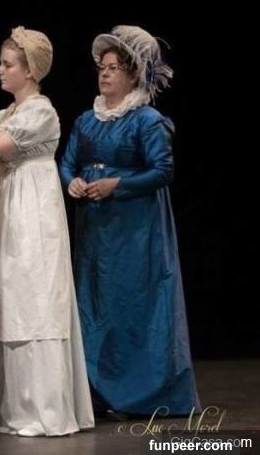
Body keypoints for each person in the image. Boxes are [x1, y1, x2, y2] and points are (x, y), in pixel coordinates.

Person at [0, 26, 94, 437]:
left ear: (29, 71)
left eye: (7, 64)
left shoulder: (41, 112)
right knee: (8, 298)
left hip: (34, 212)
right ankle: (12, 408)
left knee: (35, 294)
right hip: (6, 211)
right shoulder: (0, 117)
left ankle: (42, 408)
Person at [59, 25, 201, 417]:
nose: (104, 74)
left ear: (133, 74)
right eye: (101, 68)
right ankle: (98, 390)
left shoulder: (146, 120)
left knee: (133, 302)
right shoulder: (86, 120)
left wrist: (117, 185)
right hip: (95, 228)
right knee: (96, 304)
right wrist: (71, 182)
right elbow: (67, 162)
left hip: (135, 228)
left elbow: (163, 171)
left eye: (114, 68)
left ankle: (141, 394)